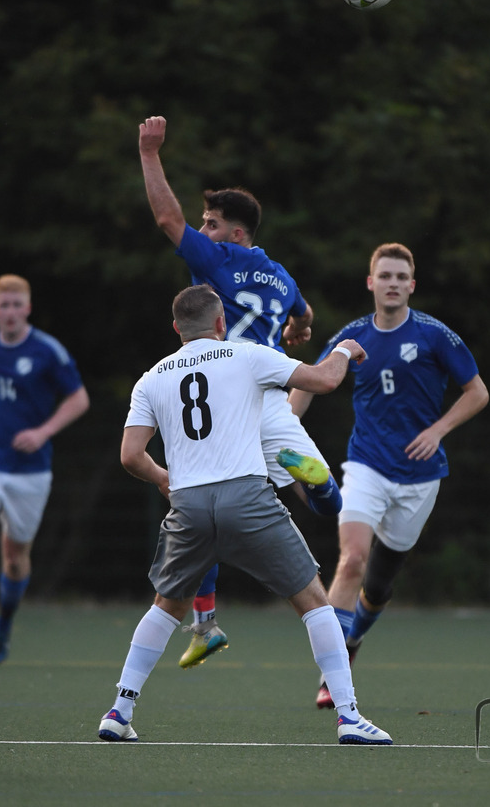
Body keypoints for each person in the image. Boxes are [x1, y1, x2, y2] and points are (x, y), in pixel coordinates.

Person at [97, 284, 392, 746]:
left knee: (167, 605)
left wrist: (162, 478)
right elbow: (324, 380)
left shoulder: (151, 378)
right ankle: (350, 717)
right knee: (314, 601)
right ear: (220, 324)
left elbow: (131, 455)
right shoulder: (245, 354)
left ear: (177, 329)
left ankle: (120, 708)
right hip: (246, 498)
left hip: (189, 505)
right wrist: (344, 350)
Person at [139, 115, 341, 669]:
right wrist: (300, 330)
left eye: (211, 223)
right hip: (272, 390)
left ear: (235, 234)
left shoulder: (219, 260)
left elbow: (164, 216)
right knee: (329, 506)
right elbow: (304, 315)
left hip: (227, 395)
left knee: (195, 501)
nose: (202, 231)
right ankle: (315, 485)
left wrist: (150, 152)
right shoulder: (281, 275)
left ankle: (204, 623)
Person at [288, 243, 489, 708]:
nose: (393, 283)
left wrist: (439, 430)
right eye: (386, 275)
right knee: (352, 560)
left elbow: (477, 392)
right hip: (366, 467)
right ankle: (334, 680)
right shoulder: (352, 335)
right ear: (371, 282)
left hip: (420, 478)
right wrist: (278, 433)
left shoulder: (436, 335)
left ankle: (352, 644)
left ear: (411, 286)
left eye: (402, 276)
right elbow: (310, 385)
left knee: (376, 588)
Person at [0, 274, 90, 664]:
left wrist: (43, 431)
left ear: (28, 308)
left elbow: (79, 398)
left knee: (15, 558)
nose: (11, 312)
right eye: (4, 304)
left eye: (18, 304)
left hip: (31, 470)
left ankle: (3, 629)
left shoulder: (48, 350)